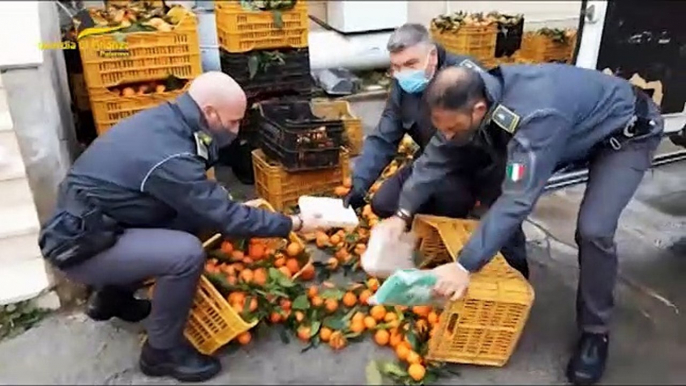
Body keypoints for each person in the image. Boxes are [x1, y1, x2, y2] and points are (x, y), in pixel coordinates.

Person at [38, 72, 328, 383]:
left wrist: (218, 204)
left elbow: (200, 199)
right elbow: (224, 216)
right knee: (185, 254)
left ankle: (112, 297)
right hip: (81, 246)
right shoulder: (170, 153)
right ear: (210, 113)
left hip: (105, 225)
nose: (236, 130)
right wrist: (293, 223)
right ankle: (161, 352)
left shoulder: (173, 120)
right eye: (232, 122)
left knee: (193, 219)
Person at [383, 65, 663, 385]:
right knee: (493, 183)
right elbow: (436, 156)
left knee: (594, 228)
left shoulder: (536, 114)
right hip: (575, 129)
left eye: (451, 128)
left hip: (624, 134)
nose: (446, 135)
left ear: (478, 110)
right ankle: (514, 272)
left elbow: (518, 199)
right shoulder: (473, 98)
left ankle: (595, 333)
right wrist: (402, 213)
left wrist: (464, 265)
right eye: (441, 128)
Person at [342, 23, 529, 277]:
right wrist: (360, 182)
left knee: (486, 217)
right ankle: (425, 248)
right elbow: (384, 137)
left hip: (476, 164)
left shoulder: (463, 79)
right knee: (384, 202)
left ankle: (511, 276)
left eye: (410, 64)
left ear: (432, 55)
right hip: (430, 161)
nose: (402, 73)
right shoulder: (403, 87)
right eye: (395, 67)